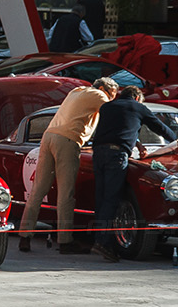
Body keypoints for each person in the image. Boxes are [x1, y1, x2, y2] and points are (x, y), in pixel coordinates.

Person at [16, 77, 118, 253]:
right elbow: (113, 114)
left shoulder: (76, 91)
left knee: (38, 190)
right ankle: (65, 241)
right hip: (68, 139)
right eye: (112, 95)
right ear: (103, 88)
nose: (111, 99)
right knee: (66, 193)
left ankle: (25, 237)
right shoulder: (99, 95)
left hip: (48, 137)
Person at [89, 85, 178, 263]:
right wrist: (176, 140)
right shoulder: (138, 107)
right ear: (137, 98)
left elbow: (120, 125)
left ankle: (98, 239)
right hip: (117, 155)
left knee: (100, 197)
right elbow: (159, 127)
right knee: (111, 198)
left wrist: (137, 142)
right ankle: (104, 243)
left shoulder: (107, 107)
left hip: (98, 153)